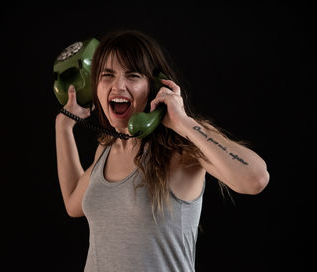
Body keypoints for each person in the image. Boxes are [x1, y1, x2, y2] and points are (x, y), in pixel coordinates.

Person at [55, 29, 269, 272]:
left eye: (133, 75)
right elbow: (74, 203)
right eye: (107, 75)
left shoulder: (180, 149)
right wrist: (63, 127)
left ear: (155, 85)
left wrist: (184, 122)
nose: (118, 86)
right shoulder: (106, 149)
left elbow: (255, 178)